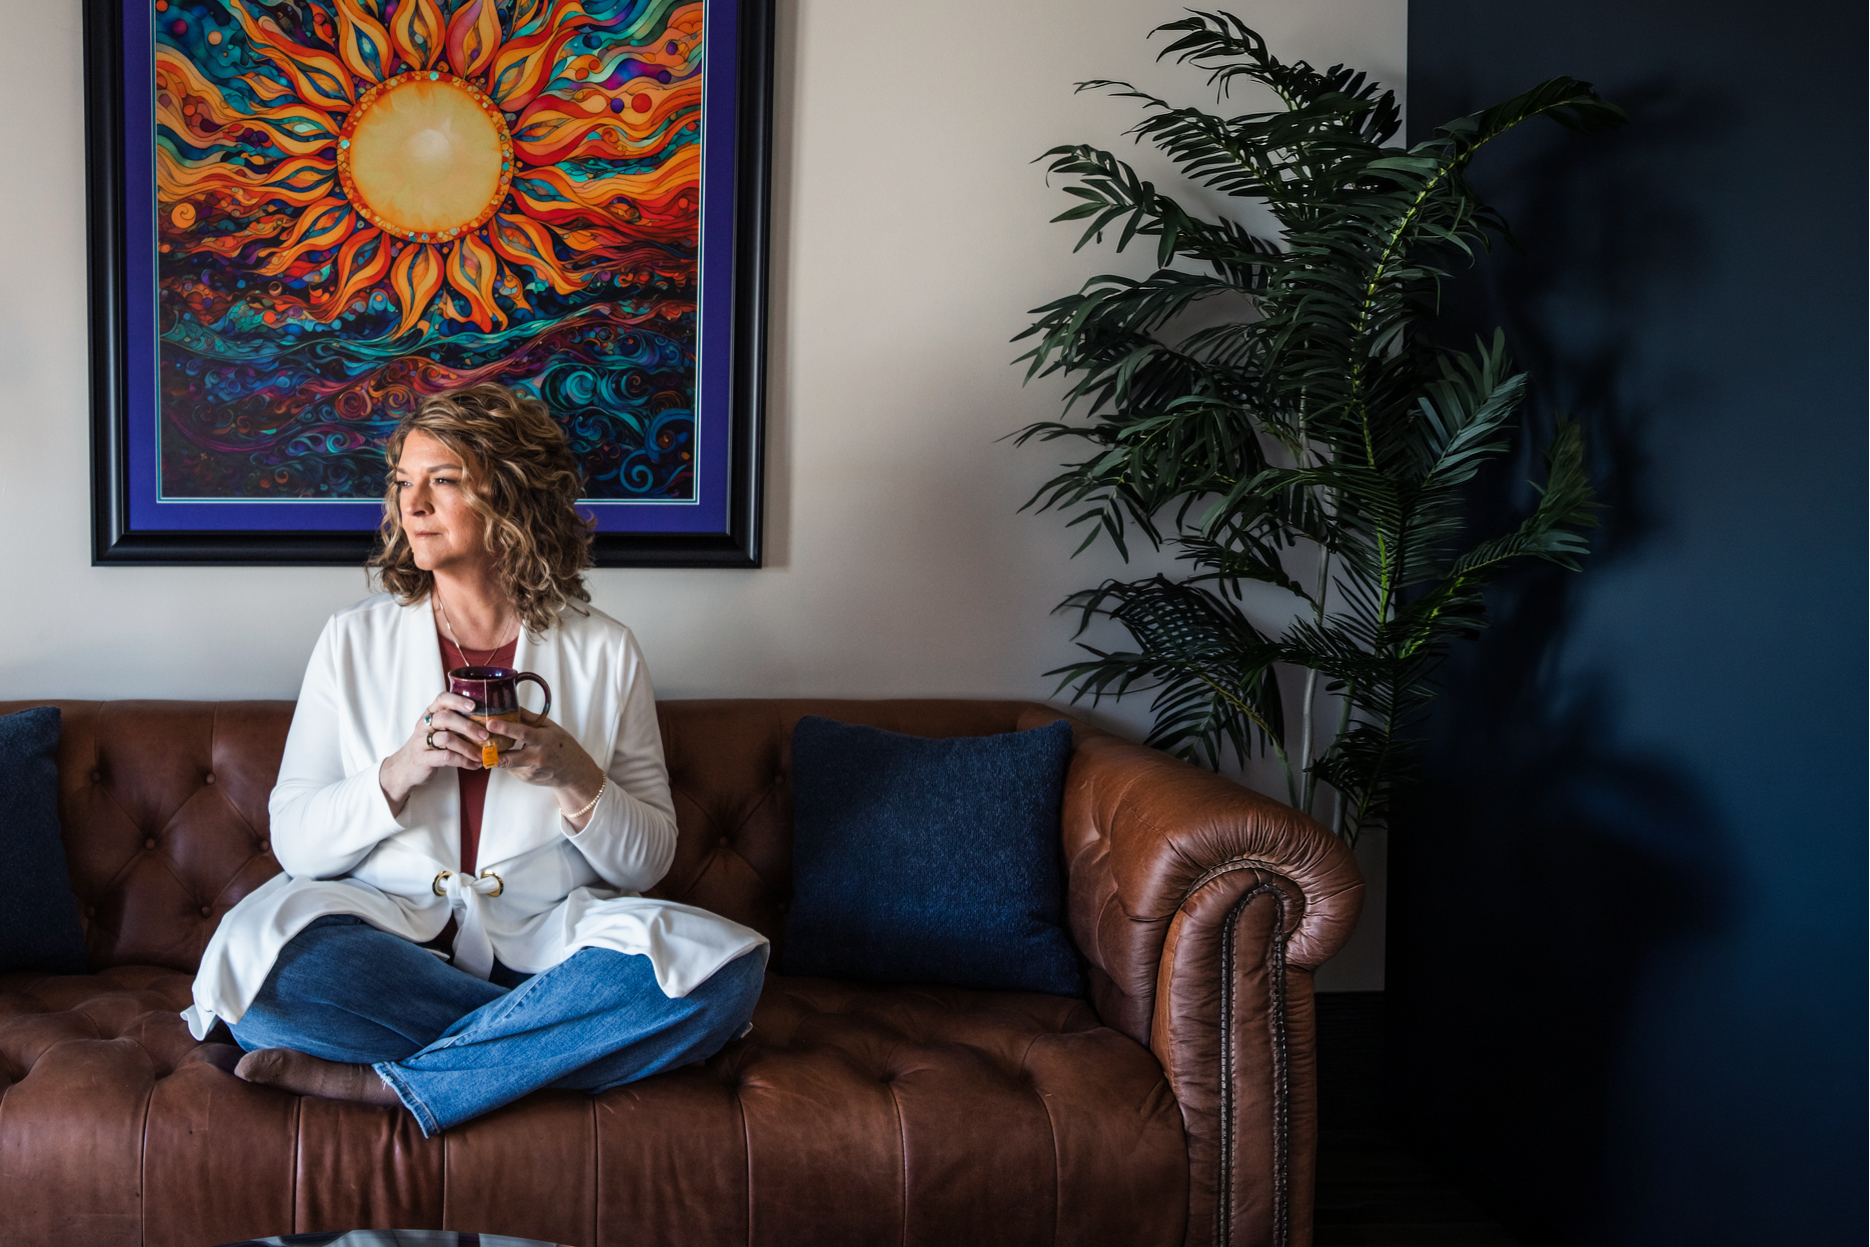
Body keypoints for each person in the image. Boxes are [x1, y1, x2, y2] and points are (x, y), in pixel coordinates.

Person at [182, 383, 767, 1137]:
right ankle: (529, 1054)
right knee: (267, 983)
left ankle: (396, 1084)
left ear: (511, 497)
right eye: (401, 482)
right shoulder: (350, 641)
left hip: (545, 946)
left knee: (725, 976)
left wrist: (573, 775)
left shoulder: (605, 649)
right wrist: (398, 770)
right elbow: (294, 839)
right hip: (388, 941)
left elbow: (646, 860)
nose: (409, 503)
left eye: (442, 479)